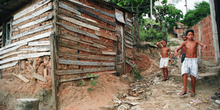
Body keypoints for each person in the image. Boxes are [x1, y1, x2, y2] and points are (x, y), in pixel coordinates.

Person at [174, 29, 207, 97]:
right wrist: (176, 51)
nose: (190, 36)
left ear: (193, 35)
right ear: (186, 36)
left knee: (192, 76)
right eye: (189, 35)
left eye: (191, 34)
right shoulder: (184, 43)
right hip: (186, 60)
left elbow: (203, 45)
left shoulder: (196, 41)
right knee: (184, 73)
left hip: (193, 60)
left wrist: (204, 47)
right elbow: (177, 48)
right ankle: (185, 90)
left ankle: (193, 90)